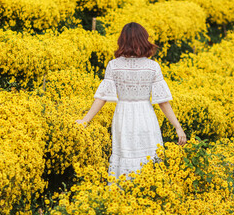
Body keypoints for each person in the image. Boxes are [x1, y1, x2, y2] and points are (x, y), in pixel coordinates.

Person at [76, 22, 187, 183]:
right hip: (146, 116)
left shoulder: (113, 66)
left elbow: (102, 98)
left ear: (122, 41)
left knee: (124, 157)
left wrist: (85, 120)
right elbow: (163, 102)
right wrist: (178, 127)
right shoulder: (152, 67)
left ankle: (122, 194)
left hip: (123, 116)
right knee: (150, 156)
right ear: (144, 40)